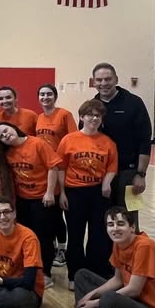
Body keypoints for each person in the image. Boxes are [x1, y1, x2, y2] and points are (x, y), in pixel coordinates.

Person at [74, 207, 155, 308]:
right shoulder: (118, 243)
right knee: (82, 276)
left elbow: (134, 289)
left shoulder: (144, 246)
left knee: (109, 298)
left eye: (120, 224)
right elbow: (118, 280)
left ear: (132, 227)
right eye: (111, 224)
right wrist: (91, 294)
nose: (115, 229)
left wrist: (95, 303)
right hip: (135, 303)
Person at [57, 100, 118, 289]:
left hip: (97, 193)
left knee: (98, 235)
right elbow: (61, 168)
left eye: (97, 115)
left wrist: (106, 183)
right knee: (75, 235)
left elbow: (112, 166)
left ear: (102, 119)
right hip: (74, 192)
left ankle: (95, 274)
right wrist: (62, 193)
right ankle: (75, 275)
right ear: (82, 117)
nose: (94, 118)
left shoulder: (108, 142)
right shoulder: (69, 140)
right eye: (90, 114)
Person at [0, 122, 62, 287]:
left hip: (42, 198)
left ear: (13, 127)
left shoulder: (37, 143)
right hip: (22, 199)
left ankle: (45, 273)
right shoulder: (7, 152)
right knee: (24, 236)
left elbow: (53, 166)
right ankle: (27, 269)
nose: (5, 135)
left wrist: (49, 192)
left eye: (6, 131)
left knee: (43, 236)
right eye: (1, 136)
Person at [92, 63, 152, 226]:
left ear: (116, 79)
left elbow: (145, 141)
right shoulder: (92, 107)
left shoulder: (134, 103)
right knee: (103, 222)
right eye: (99, 80)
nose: (103, 83)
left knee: (129, 220)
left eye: (108, 79)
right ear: (94, 82)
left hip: (129, 173)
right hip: (100, 175)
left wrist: (141, 174)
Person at [36, 83, 77, 268]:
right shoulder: (38, 118)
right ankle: (50, 247)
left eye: (49, 94)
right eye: (42, 94)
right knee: (48, 213)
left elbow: (74, 140)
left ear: (55, 96)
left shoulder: (64, 114)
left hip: (61, 169)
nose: (45, 97)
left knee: (59, 212)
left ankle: (62, 249)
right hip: (44, 170)